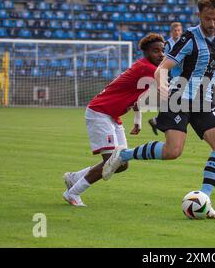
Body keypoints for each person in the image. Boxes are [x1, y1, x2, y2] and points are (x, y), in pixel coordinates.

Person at [102, 0, 215, 218]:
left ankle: (204, 198)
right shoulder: (188, 38)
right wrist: (161, 85)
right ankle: (124, 154)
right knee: (172, 152)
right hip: (179, 97)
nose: (212, 24)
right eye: (208, 19)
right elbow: (162, 68)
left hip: (204, 100)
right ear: (199, 16)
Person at [62, 33, 165, 206]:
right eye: (156, 51)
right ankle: (73, 193)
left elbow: (138, 98)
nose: (161, 54)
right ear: (146, 53)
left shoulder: (148, 69)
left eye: (162, 51)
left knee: (122, 163)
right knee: (111, 161)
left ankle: (74, 177)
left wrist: (138, 122)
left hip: (112, 116)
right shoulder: (146, 68)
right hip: (100, 112)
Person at [149, 22, 183, 135]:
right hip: (171, 76)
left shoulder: (183, 42)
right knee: (172, 98)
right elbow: (164, 60)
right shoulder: (168, 44)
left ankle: (159, 120)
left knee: (174, 99)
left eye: (179, 30)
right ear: (171, 31)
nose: (177, 32)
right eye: (175, 30)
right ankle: (161, 120)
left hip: (182, 75)